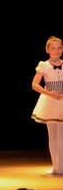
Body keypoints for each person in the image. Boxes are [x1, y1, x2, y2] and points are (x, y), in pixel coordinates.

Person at [31, 36, 63, 174]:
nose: (57, 50)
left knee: (61, 134)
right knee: (53, 135)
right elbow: (34, 84)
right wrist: (49, 94)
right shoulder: (44, 65)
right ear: (47, 50)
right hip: (50, 100)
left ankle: (61, 166)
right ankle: (55, 166)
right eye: (53, 48)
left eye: (59, 47)